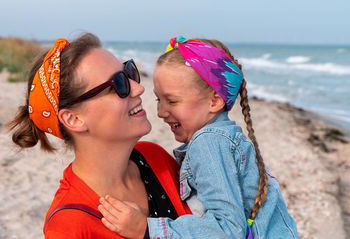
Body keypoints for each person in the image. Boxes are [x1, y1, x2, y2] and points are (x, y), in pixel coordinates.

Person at [98, 36, 299, 238]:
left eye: (172, 101)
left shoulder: (208, 143)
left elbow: (228, 229)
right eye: (159, 99)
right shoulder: (221, 139)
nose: (160, 111)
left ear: (215, 101)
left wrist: (147, 229)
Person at [8, 33, 191, 239]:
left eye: (130, 72)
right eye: (119, 84)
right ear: (73, 119)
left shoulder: (154, 157)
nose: (139, 88)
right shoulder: (69, 227)